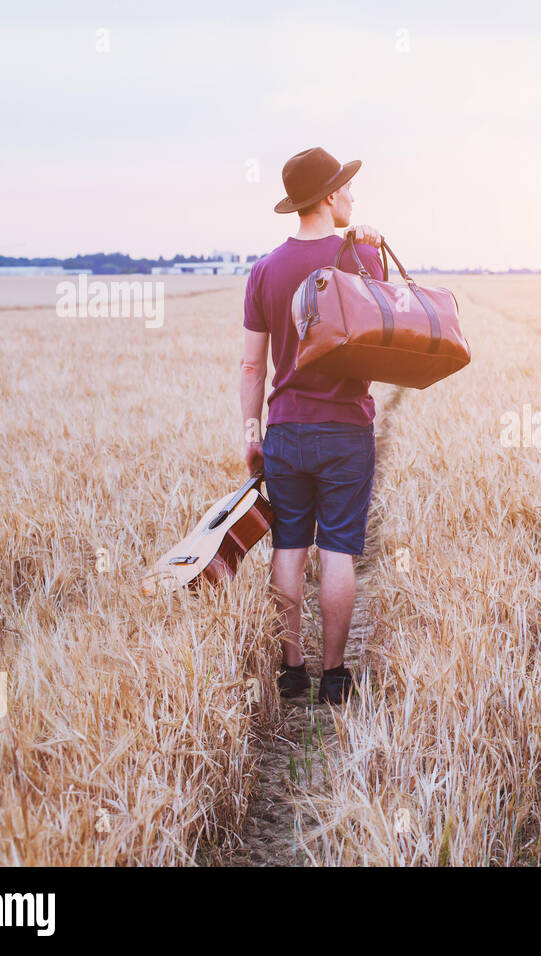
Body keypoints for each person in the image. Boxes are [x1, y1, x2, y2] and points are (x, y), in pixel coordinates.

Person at [239, 146, 384, 704]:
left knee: (290, 546)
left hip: (286, 432)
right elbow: (393, 332)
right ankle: (333, 677)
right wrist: (370, 248)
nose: (352, 195)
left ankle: (291, 670)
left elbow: (253, 365)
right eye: (346, 187)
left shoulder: (264, 270)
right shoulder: (360, 258)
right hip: (346, 429)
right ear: (328, 196)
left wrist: (252, 437)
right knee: (339, 551)